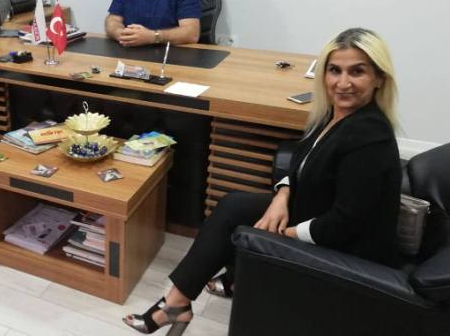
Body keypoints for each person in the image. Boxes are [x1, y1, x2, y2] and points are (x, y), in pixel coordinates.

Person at [123, 28, 401, 335]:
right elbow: (299, 158)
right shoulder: (337, 113)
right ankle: (184, 300)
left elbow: (345, 224)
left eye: (357, 72)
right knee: (233, 205)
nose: (343, 83)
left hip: (344, 250)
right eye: (335, 70)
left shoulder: (369, 137)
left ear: (379, 78)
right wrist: (282, 196)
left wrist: (283, 234)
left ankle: (179, 304)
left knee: (245, 225)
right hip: (317, 212)